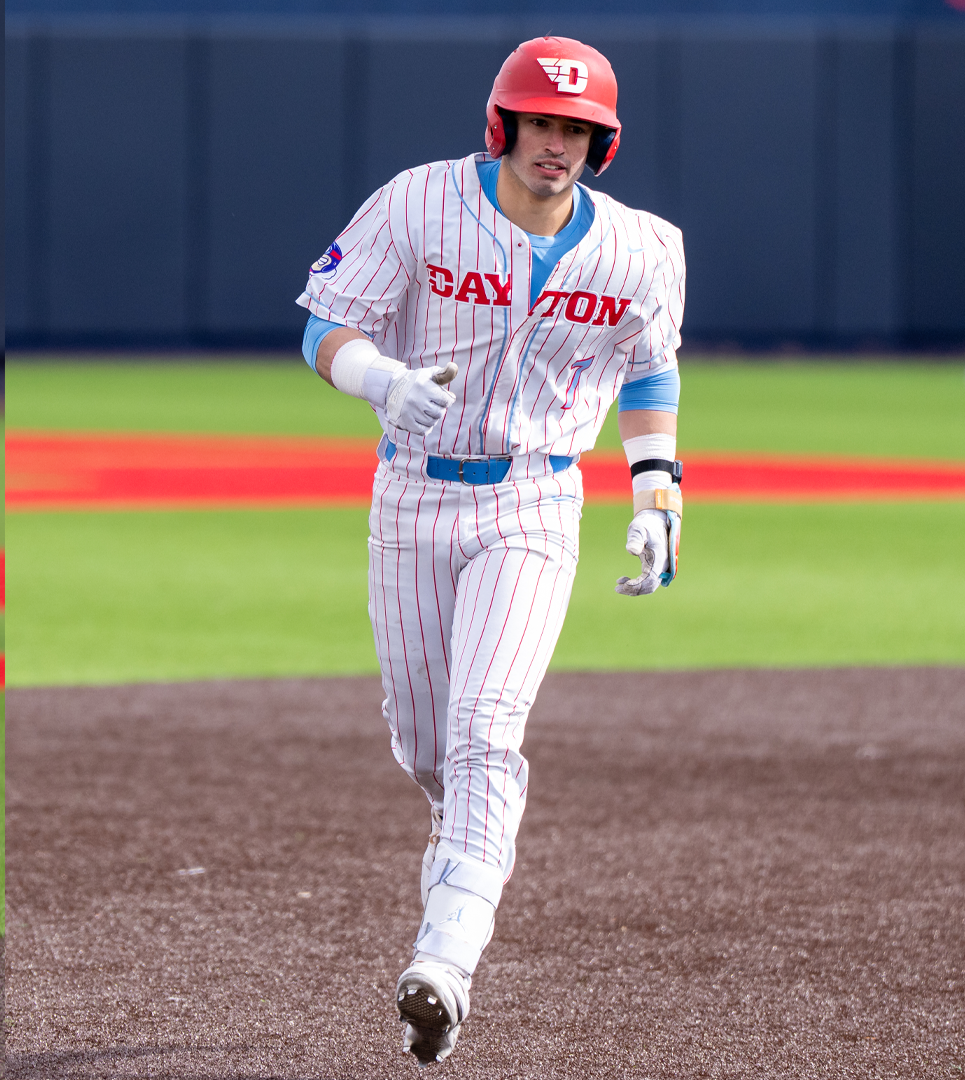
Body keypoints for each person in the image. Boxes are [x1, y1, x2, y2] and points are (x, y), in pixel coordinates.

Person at [296, 38, 683, 1066]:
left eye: (578, 129)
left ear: (604, 141)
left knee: (484, 731)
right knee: (426, 746)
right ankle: (464, 854)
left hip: (537, 499)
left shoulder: (641, 247)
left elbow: (648, 373)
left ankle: (446, 960)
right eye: (542, 123)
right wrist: (378, 378)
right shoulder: (418, 204)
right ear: (504, 124)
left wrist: (657, 492)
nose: (557, 145)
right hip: (415, 495)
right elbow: (324, 328)